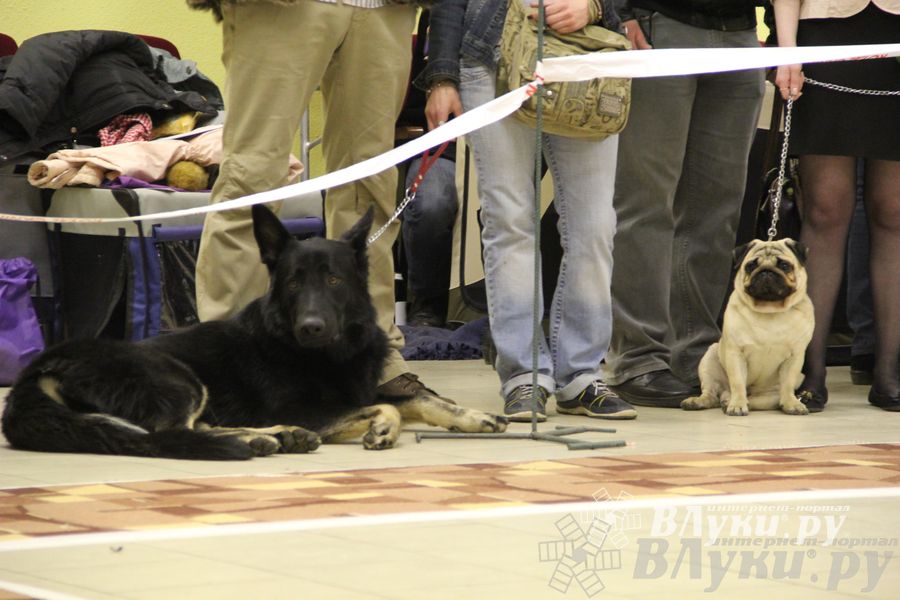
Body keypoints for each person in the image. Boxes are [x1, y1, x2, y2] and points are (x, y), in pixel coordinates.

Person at [186, 0, 459, 406]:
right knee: (253, 178)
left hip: (384, 8)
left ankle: (375, 357)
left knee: (371, 185)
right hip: (283, 10)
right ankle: (228, 362)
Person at [422, 0, 637, 421]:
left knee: (595, 225)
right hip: (489, 58)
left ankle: (580, 375)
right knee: (510, 222)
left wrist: (593, 7)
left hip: (585, 58)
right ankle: (524, 375)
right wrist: (442, 76)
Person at [602, 0, 765, 407]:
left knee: (719, 210)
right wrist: (620, 13)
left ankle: (698, 353)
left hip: (741, 32)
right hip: (660, 25)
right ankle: (637, 358)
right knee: (646, 202)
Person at [773, 0, 900, 412]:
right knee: (825, 211)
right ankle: (810, 370)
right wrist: (787, 51)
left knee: (894, 212)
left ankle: (888, 372)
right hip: (825, 36)